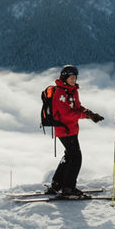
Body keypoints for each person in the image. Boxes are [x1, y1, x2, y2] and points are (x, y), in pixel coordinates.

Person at [46, 65, 104, 197]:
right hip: (64, 130)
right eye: (71, 77)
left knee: (69, 156)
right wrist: (86, 116)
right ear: (65, 78)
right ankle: (68, 188)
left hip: (71, 129)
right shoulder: (60, 92)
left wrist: (89, 113)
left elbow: (77, 107)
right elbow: (65, 113)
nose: (73, 80)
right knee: (76, 158)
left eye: (75, 77)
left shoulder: (73, 91)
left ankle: (57, 184)